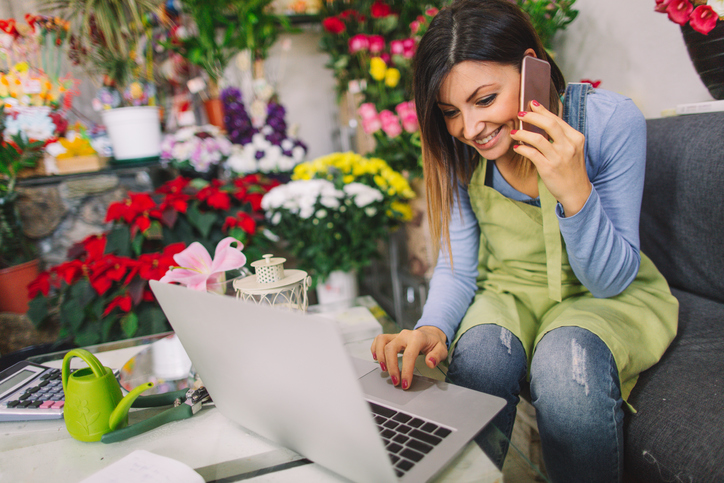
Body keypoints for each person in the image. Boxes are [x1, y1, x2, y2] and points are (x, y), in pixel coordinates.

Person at [370, 1, 678, 481]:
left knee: (565, 361)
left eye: (485, 99)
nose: (470, 129)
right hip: (509, 292)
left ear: (532, 64)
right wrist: (432, 327)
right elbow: (458, 268)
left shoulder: (610, 122)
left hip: (602, 296)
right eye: (451, 112)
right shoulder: (459, 151)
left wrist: (572, 188)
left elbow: (610, 280)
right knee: (479, 357)